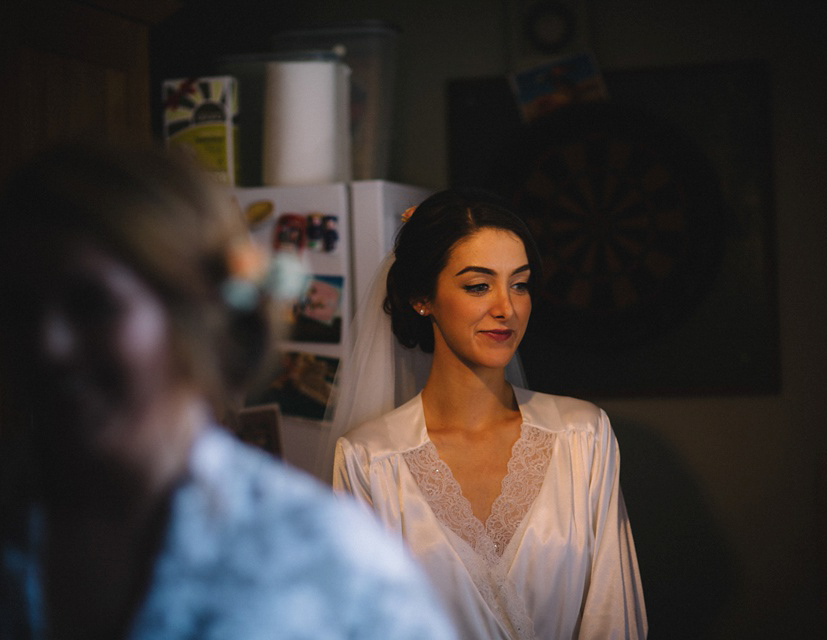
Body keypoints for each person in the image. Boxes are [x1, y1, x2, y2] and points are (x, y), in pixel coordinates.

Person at [0, 142, 455, 640]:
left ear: (192, 313)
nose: (47, 345)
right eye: (18, 306)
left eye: (93, 305)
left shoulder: (326, 558)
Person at [328, 188, 648, 639]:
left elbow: (614, 617)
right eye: (479, 285)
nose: (507, 308)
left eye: (519, 283)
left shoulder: (582, 437)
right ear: (423, 297)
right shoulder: (371, 460)